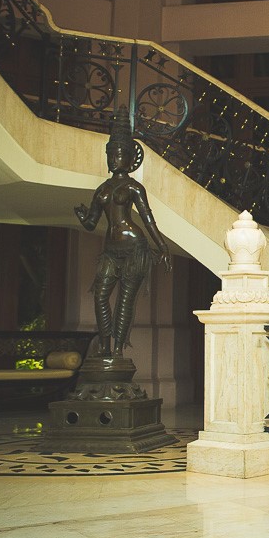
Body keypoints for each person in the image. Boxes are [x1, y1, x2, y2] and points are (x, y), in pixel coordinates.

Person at [75, 107, 172, 357]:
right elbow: (92, 223)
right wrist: (83, 216)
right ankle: (105, 345)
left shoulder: (133, 187)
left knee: (125, 302)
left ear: (129, 159)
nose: (114, 159)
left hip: (134, 248)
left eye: (119, 154)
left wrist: (162, 246)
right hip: (110, 250)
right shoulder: (103, 189)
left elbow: (148, 218)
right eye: (111, 154)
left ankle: (117, 350)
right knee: (101, 297)